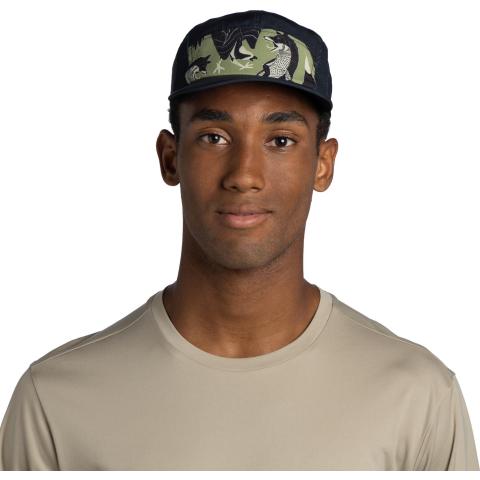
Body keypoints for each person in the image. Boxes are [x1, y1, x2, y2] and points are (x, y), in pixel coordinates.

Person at [0, 9, 478, 471]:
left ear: (323, 164)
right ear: (170, 158)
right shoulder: (56, 402)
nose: (244, 175)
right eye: (214, 137)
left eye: (280, 140)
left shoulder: (417, 397)